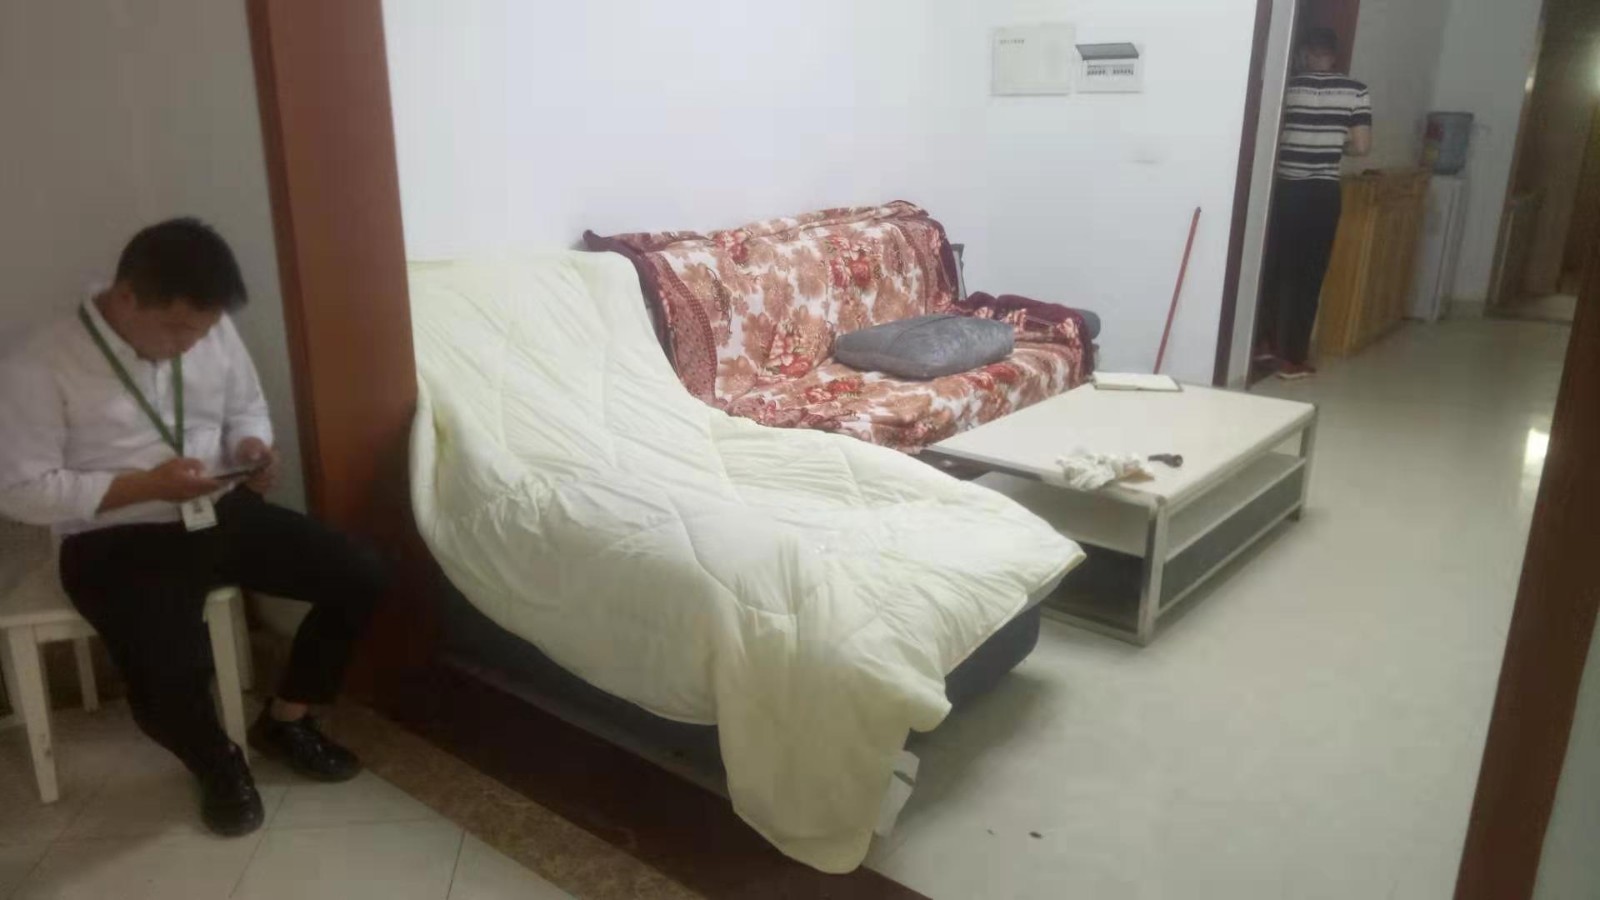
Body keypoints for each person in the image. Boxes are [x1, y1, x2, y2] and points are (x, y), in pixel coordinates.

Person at [0, 219, 383, 837]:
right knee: (169, 673)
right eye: (178, 329)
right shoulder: (40, 363)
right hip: (112, 537)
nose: (191, 344)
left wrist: (252, 447)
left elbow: (246, 408)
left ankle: (286, 721)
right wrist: (149, 486)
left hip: (216, 507)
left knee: (359, 573)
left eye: (203, 331)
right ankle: (216, 761)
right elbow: (20, 491)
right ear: (127, 297)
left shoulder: (209, 327)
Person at [1258, 27, 1372, 379]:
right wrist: (1337, 146)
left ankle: (1263, 343)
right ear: (1333, 55)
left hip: (1285, 190)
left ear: (1305, 53)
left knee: (1274, 267)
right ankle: (1292, 359)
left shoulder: (1287, 87)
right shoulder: (1356, 90)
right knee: (1308, 276)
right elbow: (1362, 147)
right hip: (1322, 193)